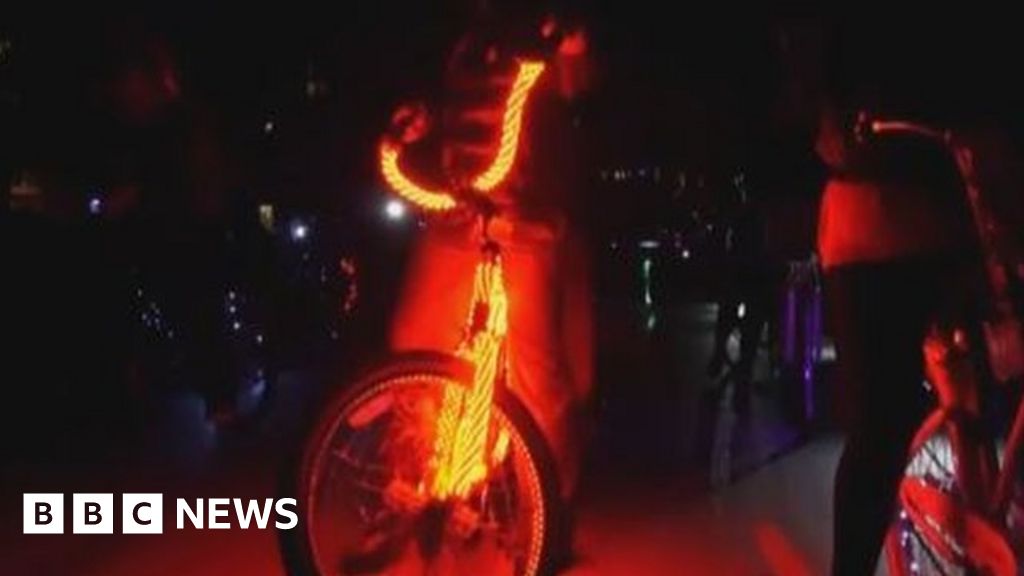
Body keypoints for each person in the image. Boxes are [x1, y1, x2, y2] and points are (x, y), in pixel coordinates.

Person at [386, 7, 594, 560]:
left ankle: (546, 515)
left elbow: (578, 84)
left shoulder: (542, 25)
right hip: (458, 214)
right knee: (411, 342)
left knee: (536, 380)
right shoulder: (463, 34)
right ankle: (420, 490)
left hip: (526, 219)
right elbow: (446, 104)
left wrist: (570, 44)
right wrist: (419, 120)